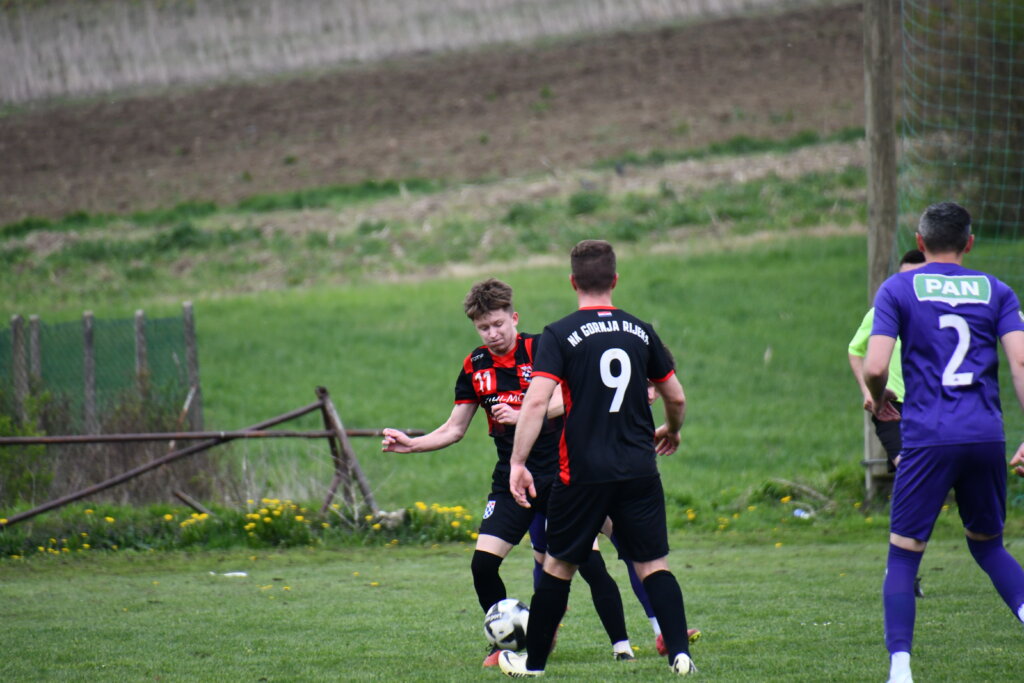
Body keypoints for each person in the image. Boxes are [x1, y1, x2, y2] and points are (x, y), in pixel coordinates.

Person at [380, 278, 636, 666]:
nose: (492, 333)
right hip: (512, 479)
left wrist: (523, 414)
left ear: (514, 318)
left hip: (562, 474)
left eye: (498, 324)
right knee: (483, 565)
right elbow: (454, 428)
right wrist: (412, 444)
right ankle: (505, 642)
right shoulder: (475, 365)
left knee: (588, 562)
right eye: (483, 327)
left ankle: (622, 647)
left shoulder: (542, 349)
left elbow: (571, 396)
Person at [499, 239, 696, 677]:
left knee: (558, 565)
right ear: (615, 280)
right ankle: (680, 655)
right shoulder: (641, 331)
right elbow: (676, 397)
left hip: (582, 473)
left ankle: (534, 665)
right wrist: (672, 429)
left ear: (572, 282)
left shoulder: (558, 334)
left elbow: (536, 403)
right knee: (653, 565)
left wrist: (517, 463)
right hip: (638, 469)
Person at [863, 201, 1024, 683]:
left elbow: (875, 366)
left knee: (903, 553)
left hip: (928, 437)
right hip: (985, 435)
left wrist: (879, 396)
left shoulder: (897, 288)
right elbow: (1020, 363)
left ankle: (900, 670)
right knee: (989, 547)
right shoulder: (997, 291)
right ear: (969, 243)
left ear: (920, 241)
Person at [848, 248, 926, 472]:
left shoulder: (939, 316)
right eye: (904, 279)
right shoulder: (881, 314)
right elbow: (855, 350)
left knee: (926, 475)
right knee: (910, 470)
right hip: (892, 406)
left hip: (929, 405)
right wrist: (868, 392)